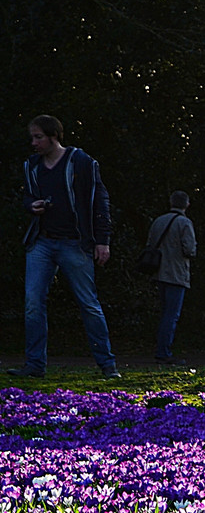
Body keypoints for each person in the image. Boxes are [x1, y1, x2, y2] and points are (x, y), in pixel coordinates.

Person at [13, 115, 119, 378]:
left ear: (53, 136)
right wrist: (31, 205)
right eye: (32, 137)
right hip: (42, 241)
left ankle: (107, 365)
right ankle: (35, 365)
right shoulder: (32, 165)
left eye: (38, 137)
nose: (34, 142)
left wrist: (102, 241)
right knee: (32, 302)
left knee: (88, 303)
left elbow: (100, 200)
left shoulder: (81, 162)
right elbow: (27, 195)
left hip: (74, 242)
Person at [148, 191, 196, 365]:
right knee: (171, 315)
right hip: (177, 274)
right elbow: (190, 249)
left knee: (165, 313)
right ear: (186, 204)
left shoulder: (159, 221)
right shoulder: (184, 223)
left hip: (159, 272)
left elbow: (150, 244)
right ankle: (164, 352)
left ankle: (162, 349)